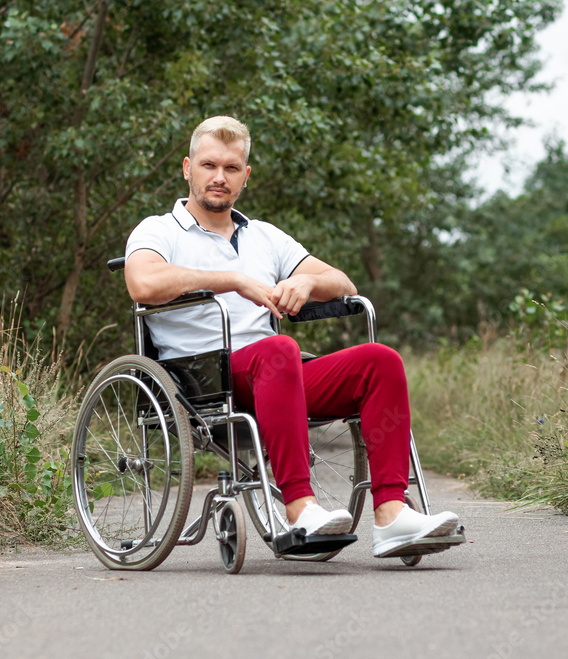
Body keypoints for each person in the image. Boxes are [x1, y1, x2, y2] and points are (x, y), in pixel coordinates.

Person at [124, 115, 460, 558]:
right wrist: (234, 280)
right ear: (188, 168)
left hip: (276, 371)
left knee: (380, 361)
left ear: (245, 176)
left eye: (230, 168)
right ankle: (301, 510)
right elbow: (142, 284)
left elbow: (343, 283)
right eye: (208, 165)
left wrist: (307, 285)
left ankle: (392, 516)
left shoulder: (264, 236)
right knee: (279, 348)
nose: (218, 177)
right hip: (201, 376)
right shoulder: (159, 230)